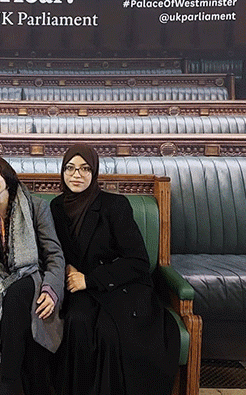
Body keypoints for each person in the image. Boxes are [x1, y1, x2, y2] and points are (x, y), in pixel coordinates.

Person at [50, 144, 180, 395]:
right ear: (63, 172)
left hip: (119, 286)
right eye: (70, 168)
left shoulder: (114, 205)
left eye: (85, 168)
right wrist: (63, 266)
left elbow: (138, 260)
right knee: (77, 322)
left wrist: (90, 279)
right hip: (78, 288)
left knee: (109, 333)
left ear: (94, 172)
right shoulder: (56, 207)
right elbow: (52, 248)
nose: (77, 174)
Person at [0, 155, 65, 395]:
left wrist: (51, 290)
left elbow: (54, 255)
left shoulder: (36, 206)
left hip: (34, 278)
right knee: (15, 300)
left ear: (6, 175)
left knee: (18, 291)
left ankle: (9, 381)